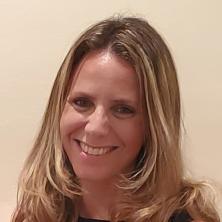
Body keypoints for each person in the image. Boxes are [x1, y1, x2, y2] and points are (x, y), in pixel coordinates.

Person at [12, 16, 220, 222]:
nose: (95, 128)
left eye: (123, 109)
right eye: (82, 102)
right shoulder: (35, 213)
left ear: (154, 125)